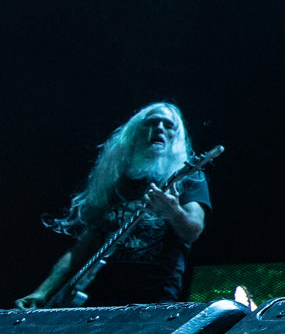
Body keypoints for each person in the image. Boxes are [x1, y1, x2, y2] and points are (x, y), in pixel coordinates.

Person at [15, 102, 209, 308]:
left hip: (154, 297)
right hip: (98, 297)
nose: (159, 128)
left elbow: (193, 230)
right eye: (152, 122)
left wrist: (173, 212)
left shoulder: (188, 178)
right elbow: (81, 250)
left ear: (175, 137)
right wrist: (42, 292)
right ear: (135, 133)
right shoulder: (115, 184)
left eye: (168, 125)